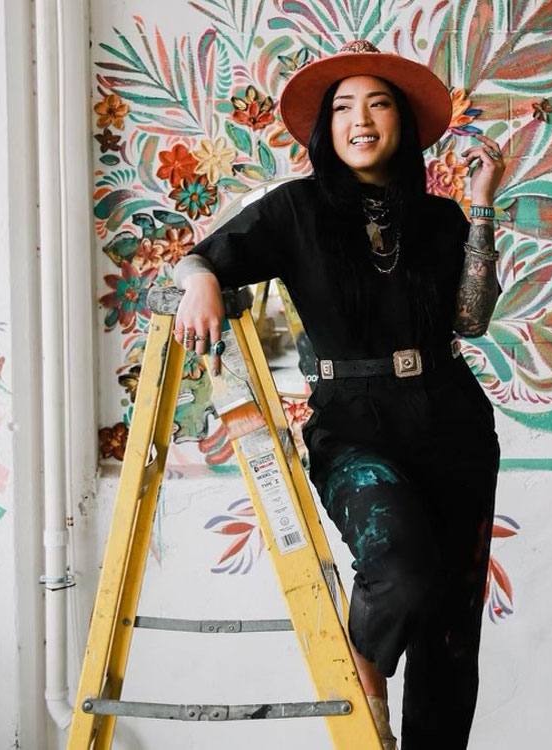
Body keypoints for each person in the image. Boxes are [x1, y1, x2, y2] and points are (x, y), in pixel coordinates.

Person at [172, 39, 505, 750]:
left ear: (402, 125)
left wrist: (482, 208)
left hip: (454, 427)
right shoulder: (294, 210)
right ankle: (364, 673)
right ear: (326, 128)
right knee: (401, 567)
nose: (361, 119)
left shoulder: (441, 218)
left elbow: (472, 322)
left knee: (451, 635)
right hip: (353, 426)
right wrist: (200, 280)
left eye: (378, 104)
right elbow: (202, 256)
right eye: (344, 107)